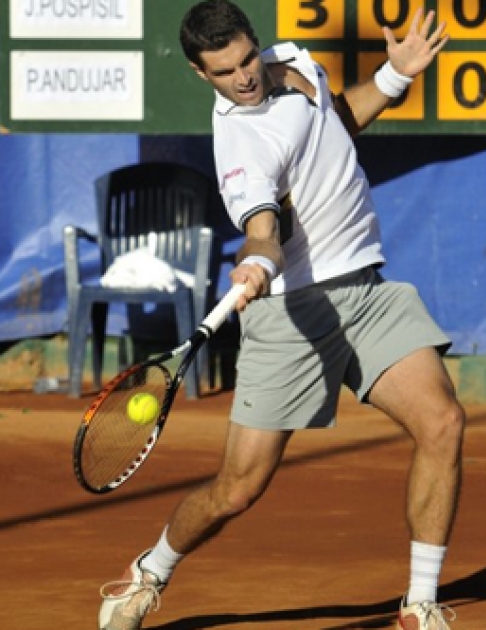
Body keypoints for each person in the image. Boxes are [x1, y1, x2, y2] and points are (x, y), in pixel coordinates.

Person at [96, 2, 465, 629]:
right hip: (292, 312)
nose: (243, 77)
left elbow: (333, 122)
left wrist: (395, 77)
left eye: (246, 60)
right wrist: (258, 259)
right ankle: (147, 574)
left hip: (366, 291)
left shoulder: (292, 60)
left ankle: (420, 607)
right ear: (198, 73)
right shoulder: (241, 146)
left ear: (256, 44)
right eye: (224, 72)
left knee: (444, 423)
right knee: (237, 489)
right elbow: (262, 228)